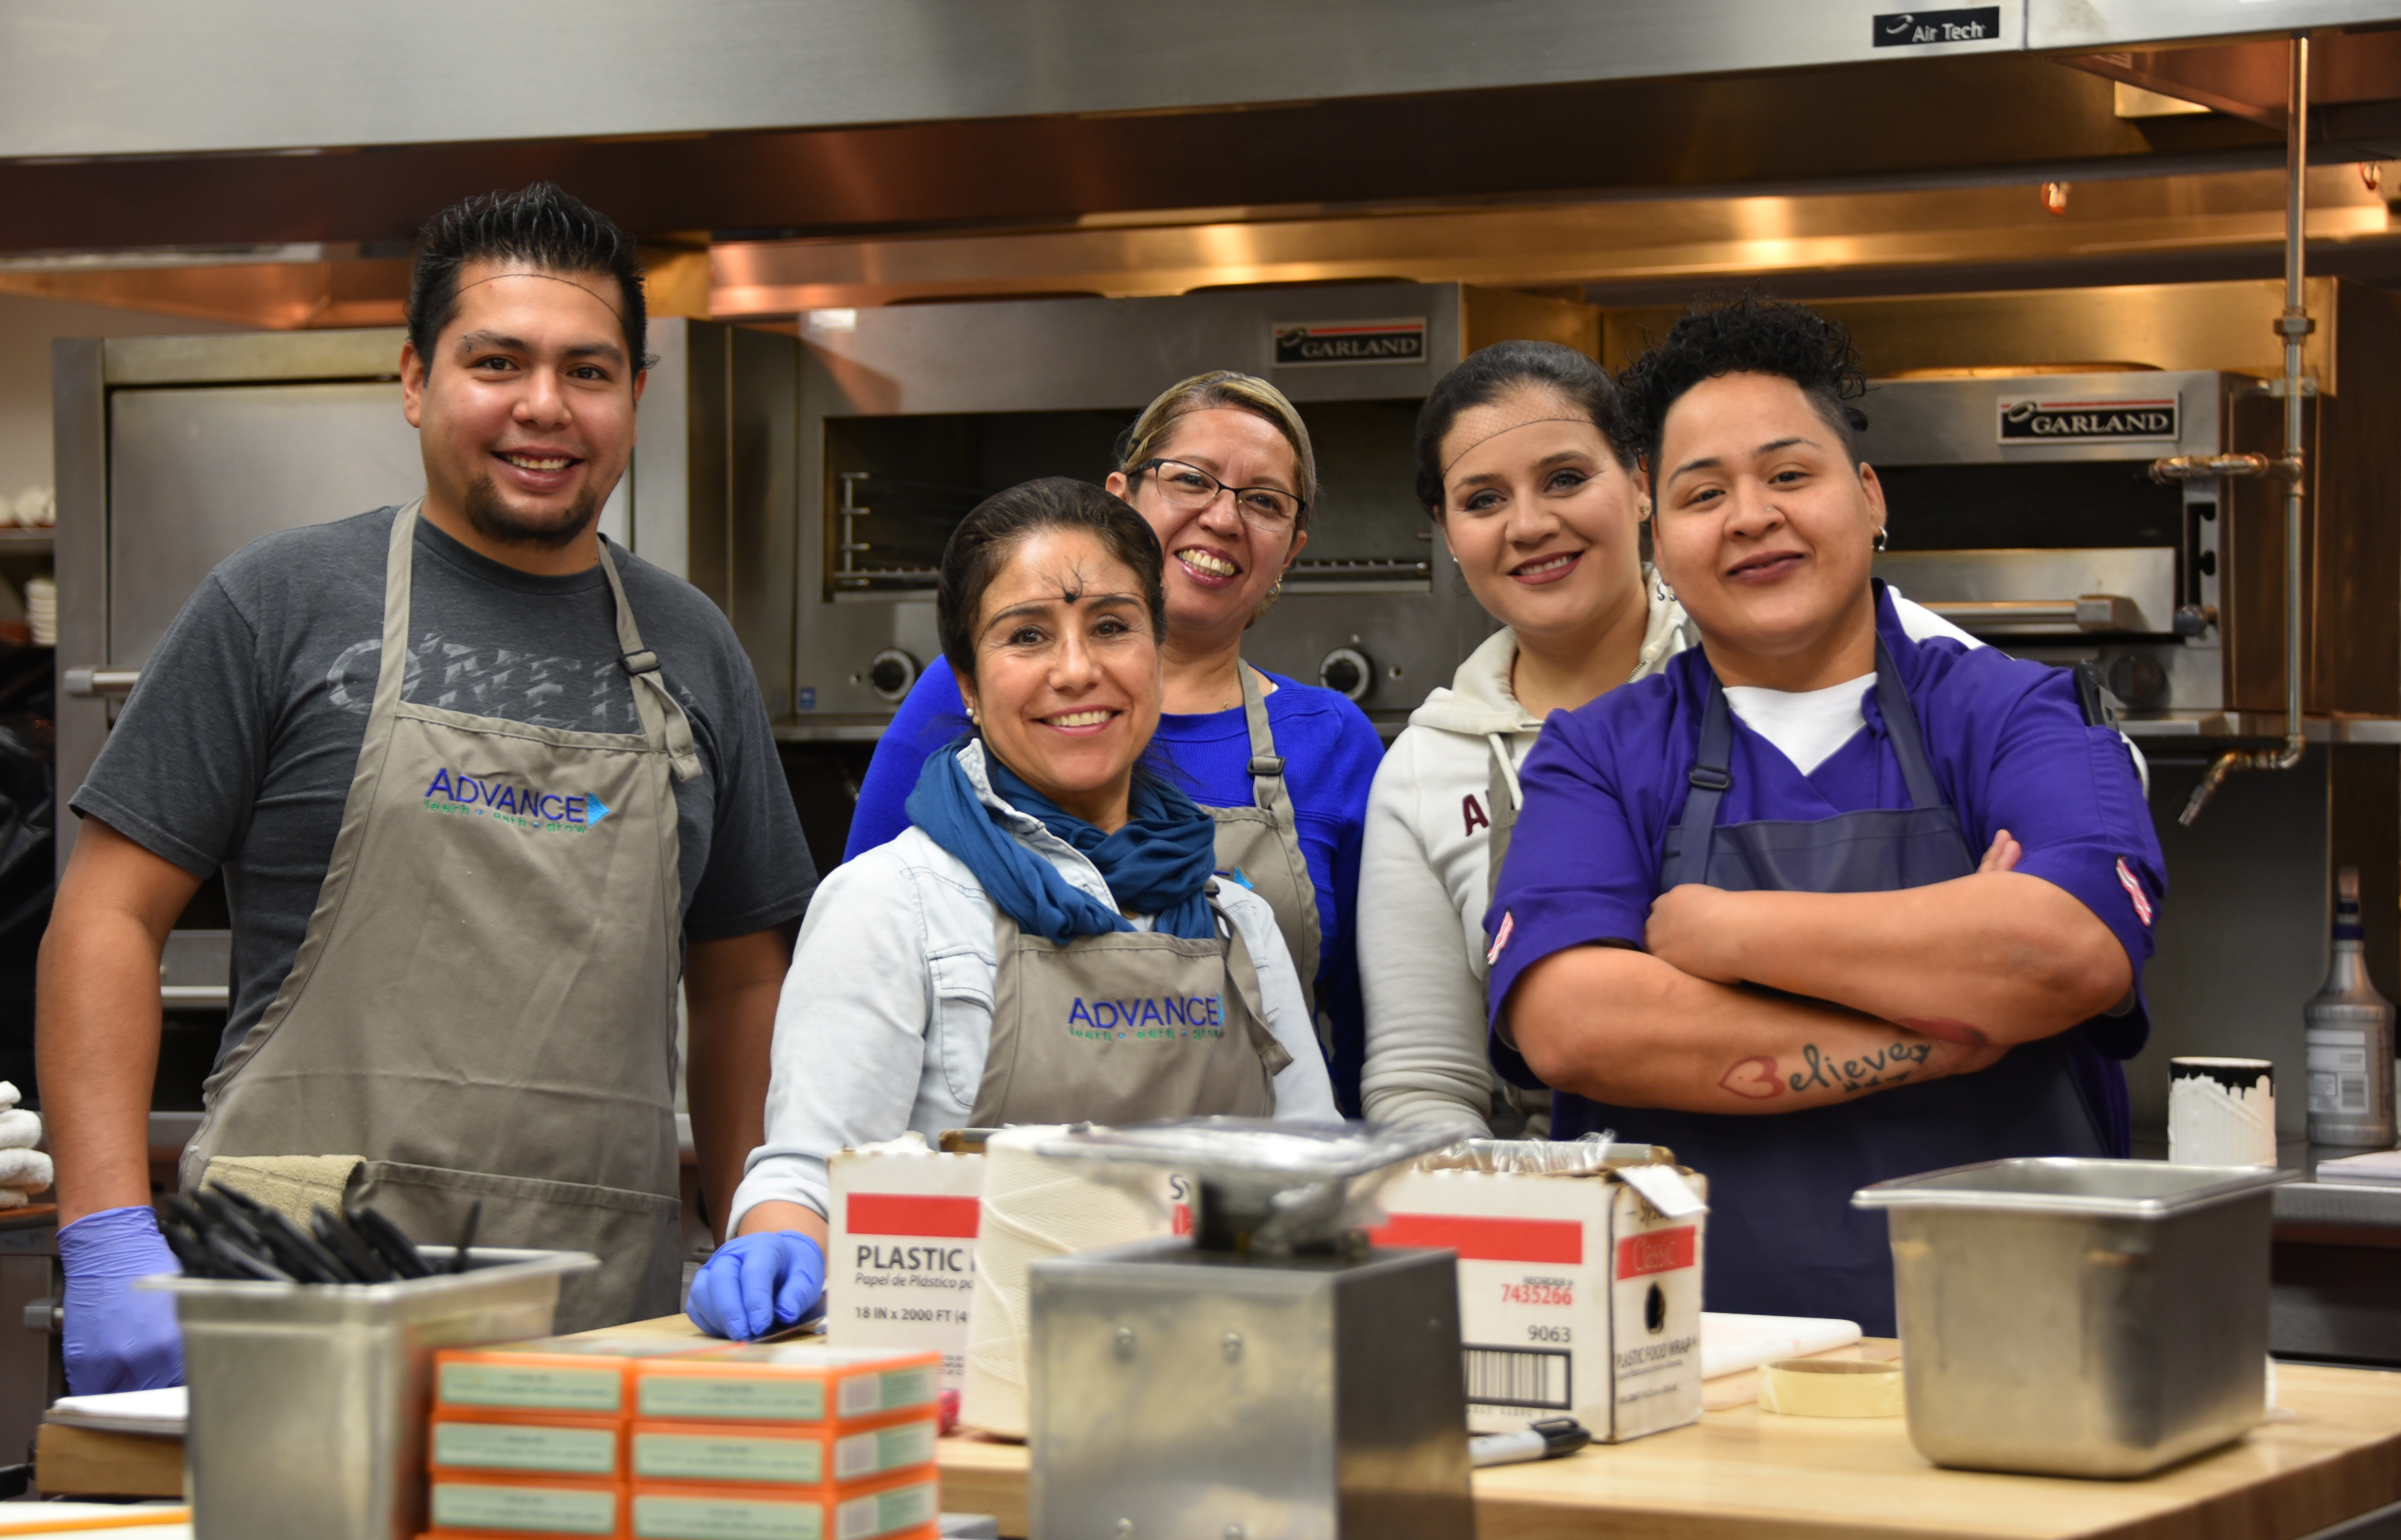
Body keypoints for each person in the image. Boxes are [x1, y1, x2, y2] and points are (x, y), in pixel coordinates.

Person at [36, 184, 816, 1388]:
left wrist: (762, 1200)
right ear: (414, 380)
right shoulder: (279, 604)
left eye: (589, 371)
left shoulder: (692, 643)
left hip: (592, 1301)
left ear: (635, 397)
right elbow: (107, 914)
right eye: (497, 361)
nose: (543, 407)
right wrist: (103, 1230)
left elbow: (739, 975)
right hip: (288, 1287)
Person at [1486, 294, 2162, 1335]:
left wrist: (1721, 932)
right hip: (1688, 1364)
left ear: (1870, 496)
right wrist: (1942, 1032)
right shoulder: (1601, 752)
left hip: (2020, 1351)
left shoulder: (2015, 711)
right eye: (1704, 493)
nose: (1753, 515)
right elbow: (1576, 1027)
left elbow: (2066, 953)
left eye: (1789, 474)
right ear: (1660, 543)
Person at [691, 478, 1338, 1338]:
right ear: (965, 680)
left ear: (1155, 651)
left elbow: (1318, 1179)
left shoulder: (1237, 926)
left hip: (1212, 1380)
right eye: (1027, 636)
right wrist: (777, 1242)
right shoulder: (889, 907)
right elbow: (812, 1177)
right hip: (961, 1398)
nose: (1077, 670)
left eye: (1112, 627)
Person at [843, 374, 1384, 1110]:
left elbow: (1366, 1031)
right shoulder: (971, 689)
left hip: (1239, 1198)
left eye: (1264, 502)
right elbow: (869, 963)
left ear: (1290, 550)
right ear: (1122, 499)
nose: (1223, 518)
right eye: (1193, 479)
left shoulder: (1330, 743)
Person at [1359, 341, 1695, 1135]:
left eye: (1566, 479)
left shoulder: (1768, 663)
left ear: (1641, 483)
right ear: (1445, 530)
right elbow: (1425, 1083)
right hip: (1579, 1219)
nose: (1531, 525)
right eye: (1482, 500)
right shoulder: (1426, 767)